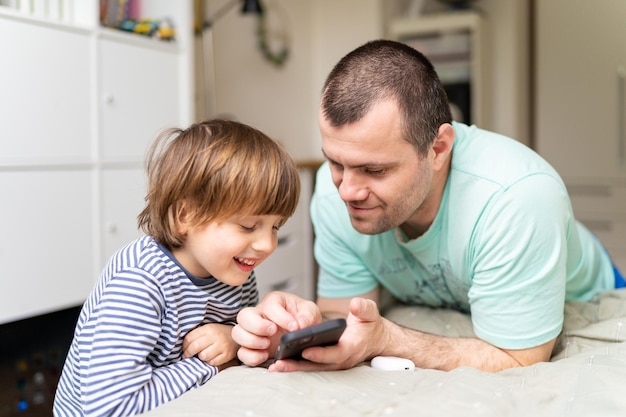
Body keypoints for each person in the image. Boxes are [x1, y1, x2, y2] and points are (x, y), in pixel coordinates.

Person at [232, 39, 625, 373]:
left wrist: (388, 338)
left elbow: (520, 357)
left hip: (588, 294)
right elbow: (343, 317)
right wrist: (295, 331)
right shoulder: (331, 192)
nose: (348, 190)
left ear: (438, 149)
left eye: (374, 169)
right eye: (336, 162)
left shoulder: (516, 197)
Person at [53, 119, 301, 416]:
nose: (266, 244)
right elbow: (110, 408)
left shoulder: (235, 269)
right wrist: (211, 364)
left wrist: (235, 338)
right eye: (248, 226)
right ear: (185, 215)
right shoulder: (139, 282)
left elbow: (242, 348)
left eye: (275, 226)